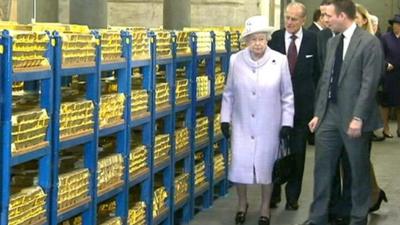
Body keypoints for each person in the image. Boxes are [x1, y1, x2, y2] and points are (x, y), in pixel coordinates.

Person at [301, 0, 384, 225]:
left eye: (329, 15)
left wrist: (358, 117)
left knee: (358, 173)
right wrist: (318, 113)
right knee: (322, 171)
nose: (325, 19)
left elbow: (370, 84)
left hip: (355, 117)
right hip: (329, 116)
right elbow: (326, 79)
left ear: (342, 16)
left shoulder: (369, 43)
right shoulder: (332, 42)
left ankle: (358, 218)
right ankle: (317, 217)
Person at [220, 15, 294, 225]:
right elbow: (229, 93)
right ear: (247, 41)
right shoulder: (236, 60)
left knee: (266, 168)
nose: (257, 44)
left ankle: (264, 208)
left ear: (268, 39)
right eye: (253, 39)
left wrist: (286, 123)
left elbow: (287, 95)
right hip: (242, 123)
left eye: (261, 39)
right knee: (239, 166)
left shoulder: (279, 60)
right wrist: (225, 119)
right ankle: (242, 204)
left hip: (269, 125)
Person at [268, 2, 320, 211]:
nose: (289, 22)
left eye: (294, 19)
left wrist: (316, 109)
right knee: (274, 152)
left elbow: (318, 75)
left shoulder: (313, 40)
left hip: (302, 110)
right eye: (287, 18)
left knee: (298, 153)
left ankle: (292, 198)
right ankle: (273, 194)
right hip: (275, 108)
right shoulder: (274, 39)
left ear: (303, 20)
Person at [380, 14, 400, 138]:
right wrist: (386, 64)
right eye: (395, 24)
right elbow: (379, 54)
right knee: (386, 103)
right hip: (389, 74)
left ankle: (399, 128)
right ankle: (385, 128)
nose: (397, 26)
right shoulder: (385, 37)